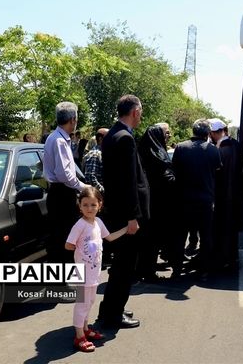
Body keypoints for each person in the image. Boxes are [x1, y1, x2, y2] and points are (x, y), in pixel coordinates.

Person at [97, 94, 149, 329]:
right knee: (125, 266)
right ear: (135, 112)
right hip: (125, 215)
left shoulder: (112, 135)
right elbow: (127, 182)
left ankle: (111, 308)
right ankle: (113, 315)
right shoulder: (124, 138)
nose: (141, 116)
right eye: (141, 112)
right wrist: (132, 217)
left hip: (117, 211)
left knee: (120, 265)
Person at [65, 186, 127, 352]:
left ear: (100, 205)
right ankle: (79, 337)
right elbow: (68, 245)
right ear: (79, 206)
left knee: (90, 302)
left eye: (93, 205)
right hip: (83, 272)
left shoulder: (98, 222)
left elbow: (109, 237)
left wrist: (126, 229)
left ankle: (85, 329)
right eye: (85, 205)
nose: (89, 208)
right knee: (82, 304)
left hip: (93, 272)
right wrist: (83, 248)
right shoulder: (80, 225)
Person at [171, 119, 221, 279]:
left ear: (192, 131)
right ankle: (204, 270)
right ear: (208, 133)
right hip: (205, 200)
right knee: (206, 236)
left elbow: (175, 171)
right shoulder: (213, 150)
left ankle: (177, 269)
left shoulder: (180, 147)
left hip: (183, 200)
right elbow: (217, 170)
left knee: (180, 236)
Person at [43, 102, 88, 270]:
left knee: (59, 239)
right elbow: (65, 175)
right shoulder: (60, 141)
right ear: (73, 119)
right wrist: (84, 187)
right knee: (64, 239)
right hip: (62, 193)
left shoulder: (55, 137)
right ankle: (61, 285)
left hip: (58, 192)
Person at [136, 123, 176, 282]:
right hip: (155, 205)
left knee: (148, 240)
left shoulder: (148, 150)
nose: (168, 136)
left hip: (151, 204)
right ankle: (147, 271)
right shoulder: (155, 154)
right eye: (165, 133)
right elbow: (165, 177)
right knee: (150, 240)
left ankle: (144, 269)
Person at [208, 118, 243, 270]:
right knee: (233, 230)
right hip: (236, 195)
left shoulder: (218, 149)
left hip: (222, 196)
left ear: (213, 133)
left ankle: (222, 260)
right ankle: (232, 259)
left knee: (221, 229)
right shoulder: (237, 145)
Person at [82, 128, 108, 194]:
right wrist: (104, 192)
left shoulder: (103, 153)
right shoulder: (95, 154)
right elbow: (91, 178)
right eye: (109, 137)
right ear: (100, 139)